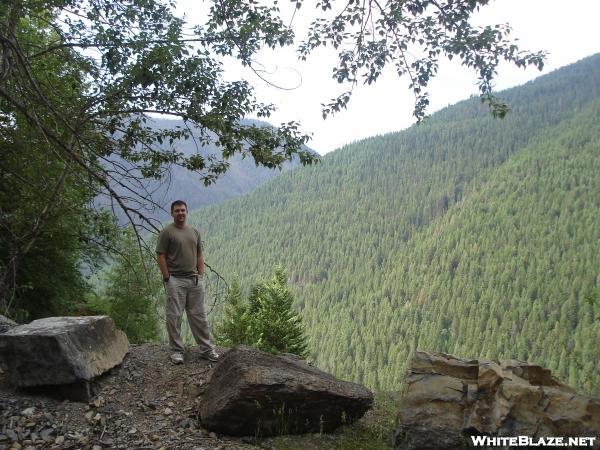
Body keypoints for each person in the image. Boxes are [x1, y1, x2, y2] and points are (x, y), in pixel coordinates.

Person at [156, 200, 219, 364]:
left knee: (199, 316)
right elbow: (161, 255)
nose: (180, 213)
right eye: (177, 211)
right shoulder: (167, 232)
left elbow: (199, 254)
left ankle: (207, 350)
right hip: (175, 280)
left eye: (183, 210)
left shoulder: (194, 232)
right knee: (174, 316)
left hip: (194, 280)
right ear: (172, 213)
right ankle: (177, 351)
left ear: (187, 211)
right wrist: (167, 277)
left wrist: (201, 273)